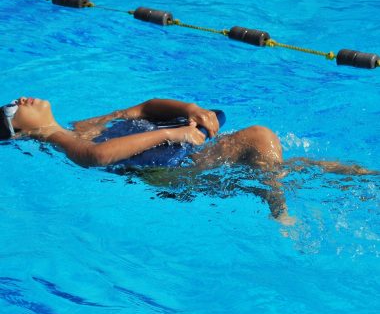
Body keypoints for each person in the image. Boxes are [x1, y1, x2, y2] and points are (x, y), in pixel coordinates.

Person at [0, 97, 376, 224]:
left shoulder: (83, 125)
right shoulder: (63, 139)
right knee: (260, 140)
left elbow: (142, 108)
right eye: (13, 108)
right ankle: (281, 213)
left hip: (178, 161)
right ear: (18, 131)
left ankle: (367, 179)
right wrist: (172, 133)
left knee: (282, 164)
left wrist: (189, 110)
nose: (22, 99)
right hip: (167, 173)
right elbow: (96, 157)